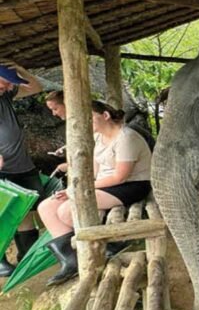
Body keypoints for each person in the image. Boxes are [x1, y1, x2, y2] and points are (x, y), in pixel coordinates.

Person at [37, 100, 152, 285]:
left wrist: (81, 190)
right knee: (46, 207)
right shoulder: (99, 137)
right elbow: (94, 171)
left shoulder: (127, 138)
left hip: (131, 185)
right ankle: (71, 260)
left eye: (89, 117)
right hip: (103, 184)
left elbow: (120, 176)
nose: (85, 122)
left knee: (67, 211)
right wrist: (72, 189)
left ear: (105, 115)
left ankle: (109, 245)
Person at [0, 62, 44, 277]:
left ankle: (28, 256)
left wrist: (21, 69)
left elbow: (35, 88)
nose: (9, 87)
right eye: (6, 82)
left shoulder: (5, 97)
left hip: (22, 165)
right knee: (3, 213)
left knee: (27, 209)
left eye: (11, 83)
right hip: (3, 168)